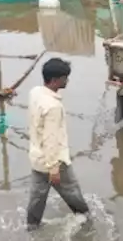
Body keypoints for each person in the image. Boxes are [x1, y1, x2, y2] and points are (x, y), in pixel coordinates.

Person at [27, 57, 90, 229]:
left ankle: (32, 225)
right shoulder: (53, 107)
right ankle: (85, 218)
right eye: (64, 78)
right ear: (55, 80)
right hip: (54, 160)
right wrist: (54, 167)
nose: (67, 81)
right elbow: (51, 139)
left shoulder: (35, 92)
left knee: (37, 196)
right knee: (71, 190)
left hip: (37, 158)